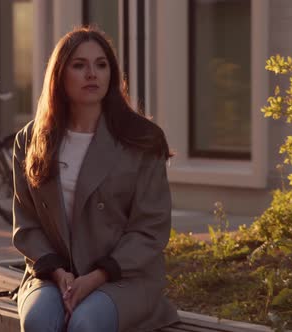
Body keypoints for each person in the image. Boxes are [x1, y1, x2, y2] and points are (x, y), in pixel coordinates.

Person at [12, 26, 179, 331]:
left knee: (85, 324)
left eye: (101, 65)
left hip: (124, 276)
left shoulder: (142, 139)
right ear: (60, 76)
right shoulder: (31, 139)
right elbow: (27, 224)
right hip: (54, 274)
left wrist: (97, 277)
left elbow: (150, 229)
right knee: (39, 320)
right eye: (79, 65)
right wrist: (58, 274)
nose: (92, 74)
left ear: (111, 75)